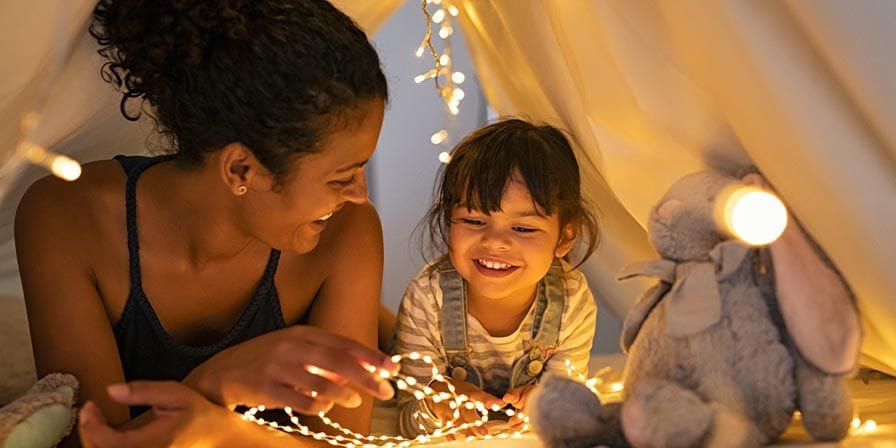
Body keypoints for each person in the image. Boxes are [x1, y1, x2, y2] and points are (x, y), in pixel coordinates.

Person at [14, 1, 397, 446]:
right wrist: (214, 385)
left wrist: (223, 426)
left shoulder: (348, 233)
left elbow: (342, 443)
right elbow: (93, 442)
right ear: (241, 170)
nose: (359, 194)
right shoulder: (66, 219)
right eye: (341, 176)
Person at [394, 119, 601, 437]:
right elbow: (408, 419)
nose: (494, 242)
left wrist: (546, 407)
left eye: (523, 228)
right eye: (474, 220)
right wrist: (437, 406)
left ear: (565, 236)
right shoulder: (427, 298)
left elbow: (568, 410)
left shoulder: (572, 301)